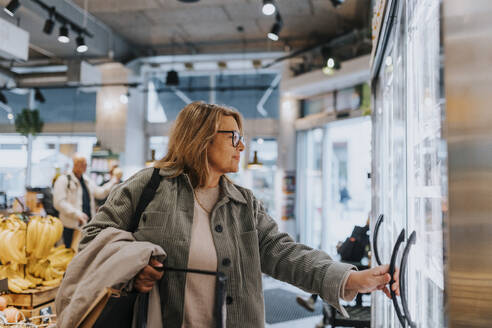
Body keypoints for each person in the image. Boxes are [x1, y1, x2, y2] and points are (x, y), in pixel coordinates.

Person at [79, 102, 399, 327]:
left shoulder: (244, 202)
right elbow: (92, 240)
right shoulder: (146, 186)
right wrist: (134, 264)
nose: (241, 146)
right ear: (201, 138)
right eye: (233, 137)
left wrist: (349, 277)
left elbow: (281, 252)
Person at [53, 154, 122, 249]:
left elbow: (100, 193)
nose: (84, 166)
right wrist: (76, 214)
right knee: (67, 253)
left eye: (85, 164)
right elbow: (59, 202)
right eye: (81, 163)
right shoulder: (63, 180)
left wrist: (113, 182)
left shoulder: (86, 180)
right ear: (75, 164)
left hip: (86, 226)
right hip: (69, 226)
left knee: (81, 253)